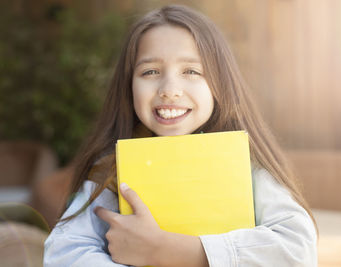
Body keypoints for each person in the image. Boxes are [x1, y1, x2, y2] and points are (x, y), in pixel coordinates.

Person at [44, 4, 317, 267]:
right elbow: (62, 253)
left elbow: (298, 250)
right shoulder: (112, 171)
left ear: (220, 84)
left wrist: (166, 249)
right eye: (150, 71)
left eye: (191, 71)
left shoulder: (249, 165)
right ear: (129, 87)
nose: (170, 89)